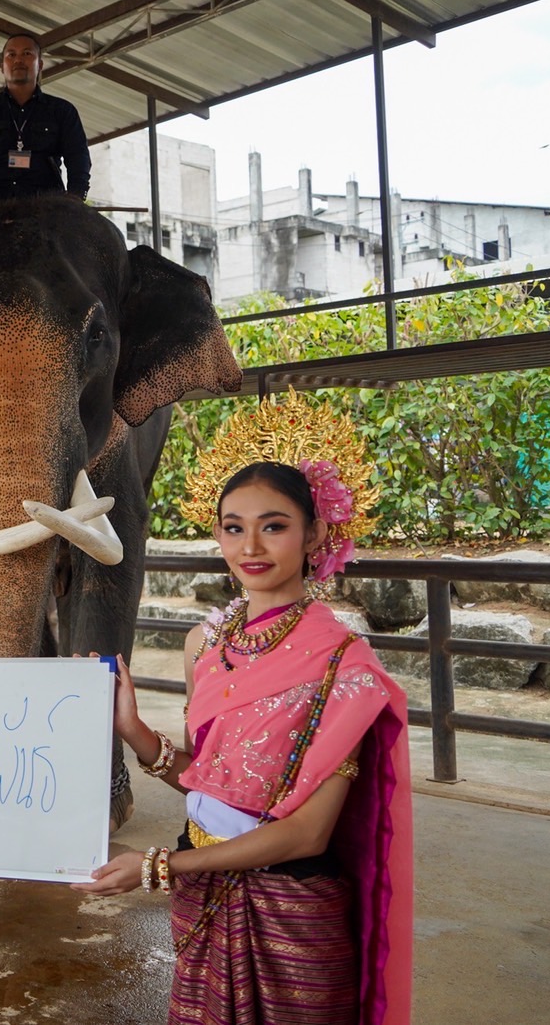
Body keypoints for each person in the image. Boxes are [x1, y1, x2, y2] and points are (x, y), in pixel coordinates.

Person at [83, 394, 413, 1025]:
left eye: (274, 524)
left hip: (292, 909)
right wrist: (131, 728)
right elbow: (204, 779)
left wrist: (158, 866)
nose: (250, 546)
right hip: (203, 890)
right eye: (233, 526)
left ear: (315, 532)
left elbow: (306, 832)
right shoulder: (203, 645)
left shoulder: (343, 664)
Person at [0, 31, 91, 205]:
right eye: (11, 55)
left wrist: (76, 194)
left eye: (27, 54)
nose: (18, 60)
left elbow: (77, 155)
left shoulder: (62, 111)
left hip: (47, 208)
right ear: (2, 65)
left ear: (40, 64)